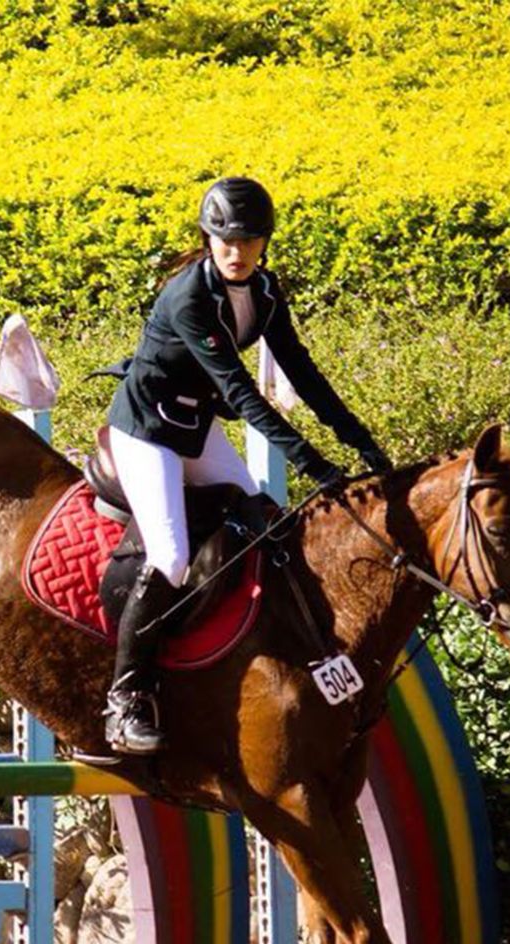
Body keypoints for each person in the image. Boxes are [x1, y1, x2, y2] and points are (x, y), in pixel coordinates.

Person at [100, 176, 393, 755]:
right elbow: (240, 393)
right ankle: (126, 698)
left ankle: (282, 657)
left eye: (250, 241)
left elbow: (303, 373)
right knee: (173, 556)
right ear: (208, 239)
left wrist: (358, 441)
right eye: (226, 240)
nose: (237, 252)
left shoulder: (265, 291)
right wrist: (309, 461)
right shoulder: (187, 297)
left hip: (194, 429)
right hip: (146, 434)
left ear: (265, 243)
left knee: (267, 523)